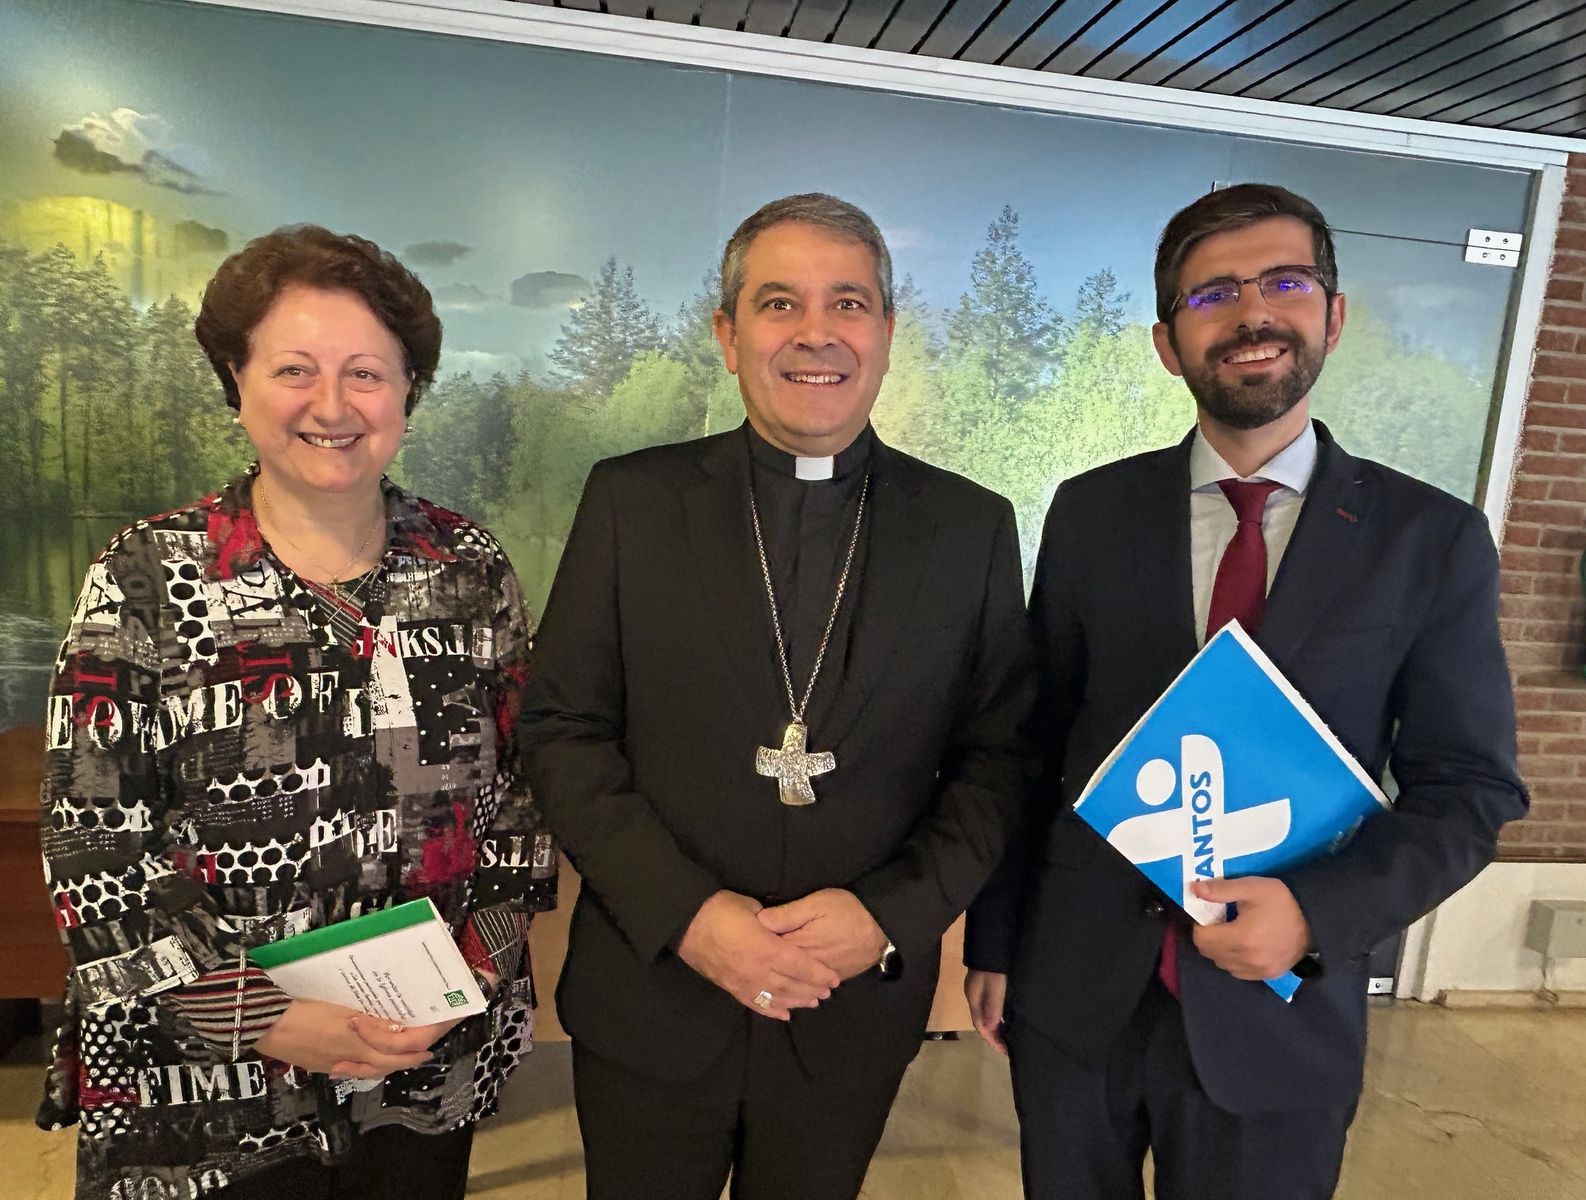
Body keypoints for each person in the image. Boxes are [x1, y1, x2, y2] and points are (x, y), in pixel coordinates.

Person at [965, 183, 1527, 1200]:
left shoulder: (1427, 540)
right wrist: (995, 941)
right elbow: (1031, 744)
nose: (1250, 314)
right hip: (1078, 996)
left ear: (1333, 315)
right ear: (1166, 341)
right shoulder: (1092, 513)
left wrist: (1316, 913)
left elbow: (1469, 791)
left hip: (1283, 1009)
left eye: (1283, 282)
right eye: (1211, 294)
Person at [521, 192, 1035, 1200]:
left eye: (848, 304)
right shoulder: (631, 502)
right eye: (778, 304)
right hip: (655, 984)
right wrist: (692, 916)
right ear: (727, 333)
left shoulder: (969, 528)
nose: (816, 334)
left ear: (886, 332)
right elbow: (562, 734)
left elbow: (999, 761)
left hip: (852, 1003)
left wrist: (885, 917)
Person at [36, 225, 556, 1200]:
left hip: (419, 1062)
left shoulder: (469, 567)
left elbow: (524, 798)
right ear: (236, 381)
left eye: (366, 372)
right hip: (200, 1082)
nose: (331, 405)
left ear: (409, 388)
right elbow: (91, 845)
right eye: (293, 370)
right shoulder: (145, 576)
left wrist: (471, 978)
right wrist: (263, 1016)